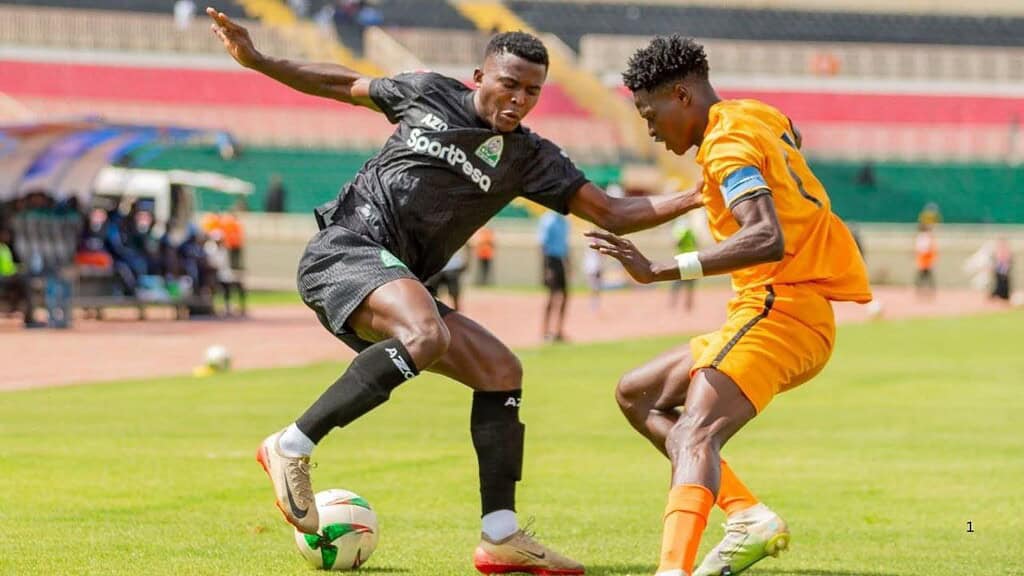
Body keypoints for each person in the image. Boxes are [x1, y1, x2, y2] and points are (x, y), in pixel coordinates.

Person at [208, 10, 702, 575]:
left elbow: (612, 212)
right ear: (479, 77)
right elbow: (343, 82)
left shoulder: (531, 158)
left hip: (397, 281)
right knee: (427, 332)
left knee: (500, 370)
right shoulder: (425, 93)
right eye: (509, 84)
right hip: (344, 250)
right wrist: (260, 60)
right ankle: (291, 445)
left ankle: (500, 536)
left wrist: (693, 196)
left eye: (532, 92)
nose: (519, 99)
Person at [586, 35, 872, 576]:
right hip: (776, 308)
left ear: (682, 96)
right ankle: (747, 514)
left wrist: (661, 270)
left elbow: (765, 237)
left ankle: (672, 570)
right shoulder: (753, 116)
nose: (649, 129)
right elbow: (791, 133)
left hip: (780, 310)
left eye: (650, 114)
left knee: (696, 432)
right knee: (636, 394)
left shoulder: (726, 146)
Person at [538, 211, 570, 341]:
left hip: (560, 260)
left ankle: (558, 330)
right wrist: (545, 269)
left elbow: (565, 245)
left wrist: (568, 263)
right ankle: (545, 331)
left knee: (565, 296)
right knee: (551, 297)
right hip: (550, 261)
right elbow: (542, 246)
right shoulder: (547, 220)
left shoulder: (564, 222)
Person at [425, 245, 469, 311]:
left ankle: (456, 311)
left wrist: (464, 263)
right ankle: (435, 310)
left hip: (453, 267)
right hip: (437, 268)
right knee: (432, 292)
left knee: (454, 292)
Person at [668, 215, 698, 312]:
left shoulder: (682, 231)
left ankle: (673, 304)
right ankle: (688, 306)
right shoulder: (691, 232)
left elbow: (677, 242)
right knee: (690, 285)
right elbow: (696, 243)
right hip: (693, 259)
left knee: (676, 284)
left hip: (683, 260)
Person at [914, 222, 937, 299]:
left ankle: (924, 290)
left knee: (924, 276)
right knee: (925, 276)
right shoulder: (924, 236)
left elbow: (924, 249)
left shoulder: (924, 237)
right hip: (925, 260)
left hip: (925, 260)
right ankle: (925, 290)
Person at [992, 237, 1012, 301]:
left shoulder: (1005, 250)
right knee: (999, 283)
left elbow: (1007, 259)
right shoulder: (999, 250)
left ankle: (1004, 296)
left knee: (1004, 283)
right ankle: (998, 296)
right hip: (1000, 269)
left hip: (1004, 270)